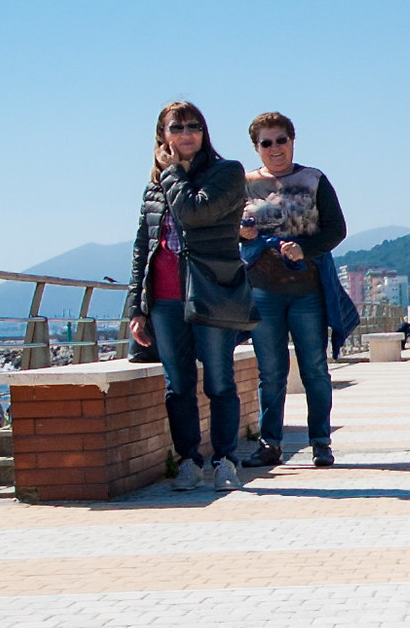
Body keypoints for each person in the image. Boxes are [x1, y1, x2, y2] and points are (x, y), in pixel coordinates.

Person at [124, 100, 253, 491]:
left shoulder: (226, 173)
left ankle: (226, 459)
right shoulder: (155, 185)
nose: (185, 134)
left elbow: (194, 213)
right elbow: (142, 246)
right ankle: (188, 461)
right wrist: (136, 307)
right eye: (176, 127)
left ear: (205, 131)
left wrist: (173, 174)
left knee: (219, 381)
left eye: (193, 126)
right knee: (177, 386)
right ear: (162, 135)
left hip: (211, 293)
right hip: (164, 298)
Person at [239, 112, 347, 469]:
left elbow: (336, 229)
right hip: (263, 288)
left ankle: (321, 441)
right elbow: (225, 230)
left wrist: (306, 249)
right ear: (256, 148)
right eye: (266, 143)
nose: (274, 149)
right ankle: (270, 443)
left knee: (315, 367)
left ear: (292, 141)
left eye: (280, 140)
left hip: (307, 288)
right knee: (270, 371)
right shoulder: (244, 183)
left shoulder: (313, 179)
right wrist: (242, 234)